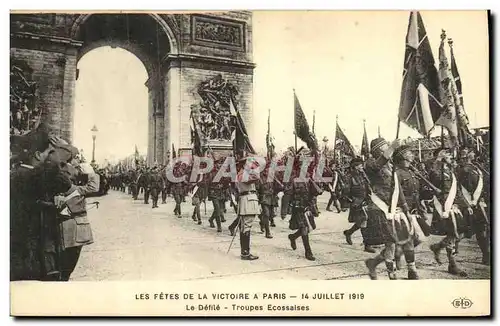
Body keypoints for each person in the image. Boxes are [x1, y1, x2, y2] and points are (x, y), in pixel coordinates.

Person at [363, 138, 412, 280]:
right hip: (381, 208)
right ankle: (392, 273)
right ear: (378, 149)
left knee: (403, 238)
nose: (388, 148)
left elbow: (397, 188)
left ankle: (374, 263)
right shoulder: (370, 163)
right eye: (385, 146)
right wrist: (392, 148)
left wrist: (405, 207)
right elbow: (377, 165)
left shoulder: (391, 165)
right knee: (391, 242)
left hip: (394, 206)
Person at [429, 148, 470, 277]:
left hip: (454, 205)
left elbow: (456, 190)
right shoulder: (436, 170)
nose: (450, 155)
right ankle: (452, 265)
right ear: (440, 156)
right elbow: (432, 178)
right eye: (446, 153)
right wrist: (438, 161)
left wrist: (466, 205)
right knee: (453, 234)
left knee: (459, 233)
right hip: (443, 206)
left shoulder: (451, 171)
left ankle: (438, 247)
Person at [456, 147, 489, 265]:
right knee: (467, 231)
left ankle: (486, 256)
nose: (474, 153)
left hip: (479, 202)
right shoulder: (464, 170)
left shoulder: (476, 167)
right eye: (472, 152)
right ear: (467, 154)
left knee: (481, 229)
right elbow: (459, 189)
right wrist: (466, 205)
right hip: (470, 204)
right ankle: (444, 247)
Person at [235, 157, 261, 260]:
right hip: (248, 201)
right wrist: (255, 166)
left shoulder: (243, 174)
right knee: (246, 227)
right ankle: (245, 253)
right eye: (248, 164)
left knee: (245, 227)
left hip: (247, 200)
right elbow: (257, 177)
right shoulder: (243, 175)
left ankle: (245, 252)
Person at [342, 157, 371, 249]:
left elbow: (368, 185)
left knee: (362, 222)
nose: (362, 166)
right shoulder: (349, 177)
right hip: (356, 202)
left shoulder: (363, 175)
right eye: (360, 165)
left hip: (365, 201)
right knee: (363, 222)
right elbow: (345, 192)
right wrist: (348, 203)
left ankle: (348, 232)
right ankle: (367, 245)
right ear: (355, 167)